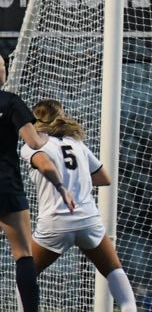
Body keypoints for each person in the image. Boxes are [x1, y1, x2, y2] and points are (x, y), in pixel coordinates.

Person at [25, 100, 137, 311]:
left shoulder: (33, 145)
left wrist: (60, 182)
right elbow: (104, 178)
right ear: (61, 116)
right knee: (115, 272)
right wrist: (77, 178)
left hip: (56, 223)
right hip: (87, 220)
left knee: (25, 275)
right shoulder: (77, 144)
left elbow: (43, 162)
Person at [0, 54, 70, 312]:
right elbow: (33, 143)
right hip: (5, 186)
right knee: (23, 253)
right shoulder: (10, 102)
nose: (4, 71)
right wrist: (46, 140)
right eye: (2, 67)